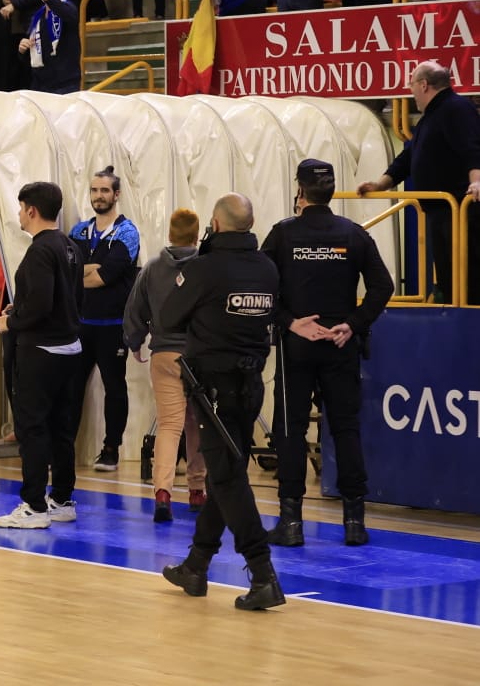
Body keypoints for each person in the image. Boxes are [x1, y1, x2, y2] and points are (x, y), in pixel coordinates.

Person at [157, 192, 285, 611]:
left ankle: (263, 572)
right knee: (222, 474)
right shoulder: (267, 267)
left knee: (229, 479)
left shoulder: (204, 268)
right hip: (251, 386)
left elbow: (168, 316)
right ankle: (196, 566)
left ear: (215, 223)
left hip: (214, 390)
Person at [263, 159, 396, 546]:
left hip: (298, 347)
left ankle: (291, 524)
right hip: (341, 345)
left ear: (300, 191)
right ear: (331, 191)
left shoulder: (283, 234)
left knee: (291, 430)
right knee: (345, 429)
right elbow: (382, 287)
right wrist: (353, 324)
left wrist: (289, 322)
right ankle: (354, 523)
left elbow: (262, 286)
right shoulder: (353, 235)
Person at [0, 181, 85, 529]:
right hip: (69, 348)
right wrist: (26, 309)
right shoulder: (70, 246)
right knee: (61, 428)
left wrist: (10, 321)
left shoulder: (39, 250)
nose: (19, 214)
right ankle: (62, 498)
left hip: (41, 351)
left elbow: (43, 304)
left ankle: (34, 505)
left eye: (20, 208)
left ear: (31, 210)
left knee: (32, 428)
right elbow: (69, 299)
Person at [358, 61, 480, 305]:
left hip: (459, 208)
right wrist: (380, 184)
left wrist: (476, 181)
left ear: (424, 85)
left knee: (468, 275)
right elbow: (409, 156)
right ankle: (454, 317)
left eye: (412, 84)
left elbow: (473, 147)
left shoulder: (457, 108)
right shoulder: (431, 117)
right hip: (441, 210)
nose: (410, 90)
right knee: (449, 276)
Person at [123, 208, 208, 521]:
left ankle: (163, 492)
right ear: (197, 234)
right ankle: (197, 490)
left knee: (170, 426)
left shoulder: (153, 268)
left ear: (170, 233)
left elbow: (134, 310)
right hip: (200, 355)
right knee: (198, 423)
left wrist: (134, 341)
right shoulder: (207, 267)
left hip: (165, 355)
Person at [67, 166, 140, 472]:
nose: (99, 196)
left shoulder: (127, 232)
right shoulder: (78, 231)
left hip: (112, 326)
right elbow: (69, 271)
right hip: (80, 324)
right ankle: (63, 447)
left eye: (104, 190)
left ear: (116, 195)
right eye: (95, 190)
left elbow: (105, 277)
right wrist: (88, 270)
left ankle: (111, 449)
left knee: (115, 387)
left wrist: (84, 271)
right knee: (70, 388)